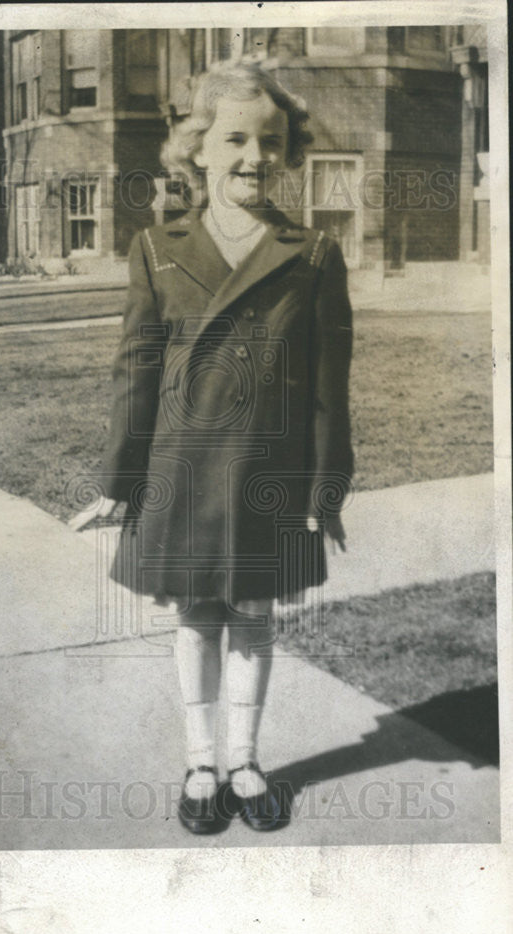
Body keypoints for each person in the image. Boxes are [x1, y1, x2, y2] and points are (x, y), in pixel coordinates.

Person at [69, 60, 354, 835]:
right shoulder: (157, 248)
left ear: (289, 150)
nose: (254, 156)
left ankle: (245, 759)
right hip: (182, 472)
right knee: (195, 616)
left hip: (269, 476)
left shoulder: (314, 254)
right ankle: (200, 763)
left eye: (272, 140)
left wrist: (325, 492)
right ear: (197, 150)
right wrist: (117, 480)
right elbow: (134, 368)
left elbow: (332, 385)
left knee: (255, 616)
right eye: (234, 138)